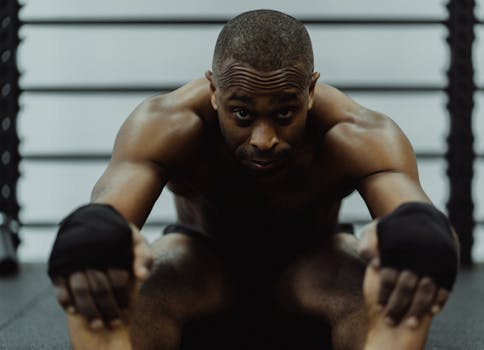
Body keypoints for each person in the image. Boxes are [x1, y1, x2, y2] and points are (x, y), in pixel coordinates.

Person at [48, 9, 459, 350]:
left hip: (314, 263)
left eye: (284, 114)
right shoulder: (168, 123)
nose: (264, 140)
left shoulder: (357, 135)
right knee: (110, 270)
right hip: (202, 263)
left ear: (311, 91)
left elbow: (415, 215)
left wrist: (419, 240)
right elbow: (108, 212)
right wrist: (93, 240)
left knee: (396, 277)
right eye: (242, 113)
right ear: (213, 90)